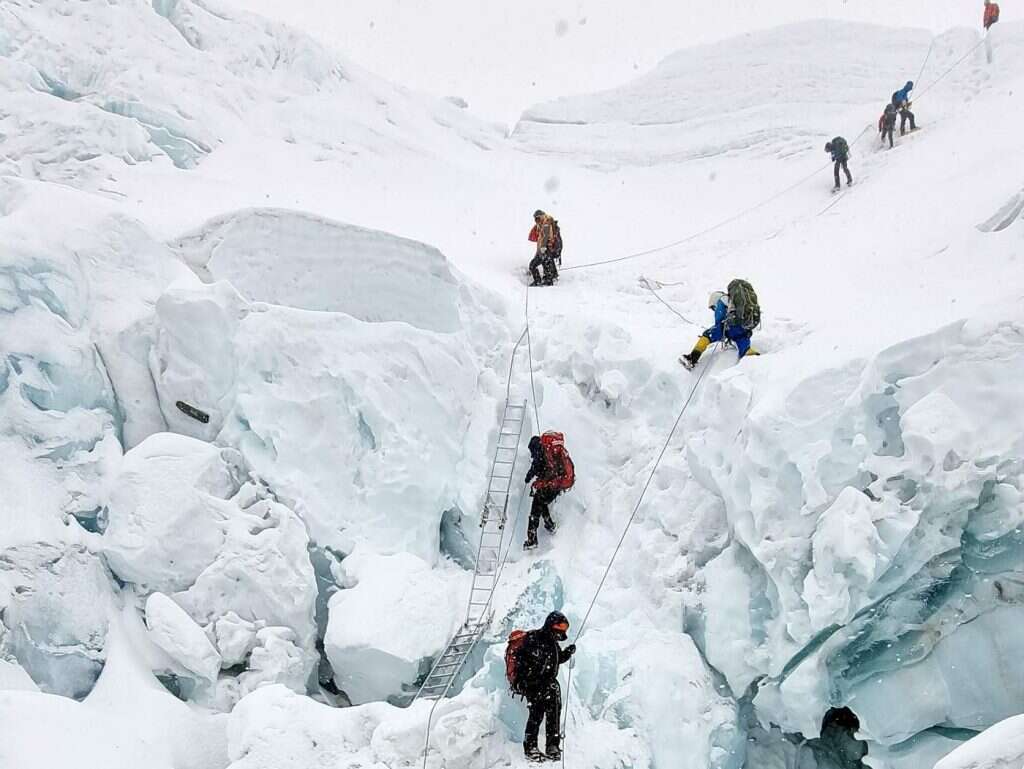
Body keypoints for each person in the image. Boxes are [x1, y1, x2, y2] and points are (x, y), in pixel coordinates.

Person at [510, 611, 576, 762]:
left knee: (554, 713)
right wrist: (528, 681)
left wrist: (567, 652)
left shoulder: (553, 643)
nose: (562, 630)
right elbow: (524, 661)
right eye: (559, 626)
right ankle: (530, 747)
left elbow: (557, 660)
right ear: (550, 625)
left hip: (548, 684)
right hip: (532, 683)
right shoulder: (534, 638)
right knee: (536, 713)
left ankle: (552, 746)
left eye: (564, 627)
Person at [680, 280, 760, 369]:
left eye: (713, 308)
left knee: (707, 335)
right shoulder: (733, 301)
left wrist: (718, 332)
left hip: (730, 326)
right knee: (743, 343)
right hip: (742, 327)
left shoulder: (721, 299)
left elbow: (719, 320)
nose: (714, 309)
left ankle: (691, 359)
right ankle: (753, 359)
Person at [523, 432, 574, 549]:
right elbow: (538, 466)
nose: (532, 456)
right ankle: (549, 525)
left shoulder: (544, 453)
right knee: (541, 500)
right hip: (559, 481)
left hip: (558, 481)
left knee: (537, 502)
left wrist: (531, 479)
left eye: (532, 452)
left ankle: (532, 539)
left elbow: (537, 466)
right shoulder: (546, 452)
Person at [528, 210, 559, 286]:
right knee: (546, 264)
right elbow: (541, 240)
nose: (536, 220)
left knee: (534, 265)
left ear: (542, 216)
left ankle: (541, 281)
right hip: (546, 250)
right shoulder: (542, 224)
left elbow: (545, 237)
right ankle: (549, 279)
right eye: (535, 219)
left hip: (546, 249)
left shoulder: (546, 224)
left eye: (538, 218)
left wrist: (543, 248)